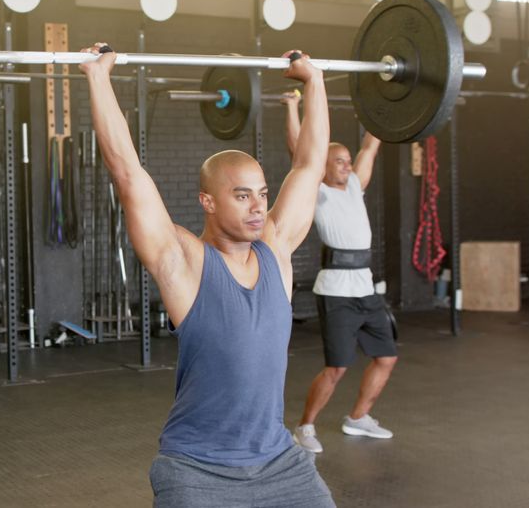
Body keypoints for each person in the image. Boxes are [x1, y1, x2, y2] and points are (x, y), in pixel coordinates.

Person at [79, 44, 335, 507]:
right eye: (242, 196)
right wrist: (99, 77)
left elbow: (309, 165)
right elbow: (128, 173)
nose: (259, 206)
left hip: (279, 461)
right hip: (197, 468)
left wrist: (314, 82)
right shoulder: (185, 263)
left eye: (261, 193)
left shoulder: (276, 249)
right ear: (208, 202)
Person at [282, 90, 398, 455]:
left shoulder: (353, 188)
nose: (347, 165)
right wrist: (291, 106)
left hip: (365, 289)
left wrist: (385, 106)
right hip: (335, 291)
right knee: (337, 367)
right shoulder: (318, 191)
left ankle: (358, 417)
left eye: (348, 160)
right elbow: (301, 151)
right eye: (339, 161)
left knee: (387, 357)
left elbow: (370, 147)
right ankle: (305, 427)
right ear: (324, 166)